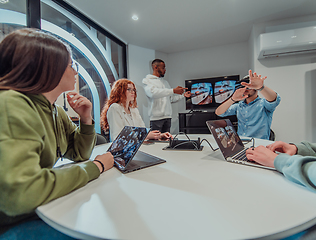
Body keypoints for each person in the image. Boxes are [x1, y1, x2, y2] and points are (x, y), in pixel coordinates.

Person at [245, 0, 316, 233]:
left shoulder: (261, 101)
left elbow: (274, 99)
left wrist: (281, 162)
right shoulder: (239, 107)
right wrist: (297, 150)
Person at [0, 28, 114, 239]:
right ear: (49, 68)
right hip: (12, 222)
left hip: (35, 209)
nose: (75, 72)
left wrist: (86, 119)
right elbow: (20, 195)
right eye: (71, 65)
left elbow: (78, 153)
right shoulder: (11, 104)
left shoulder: (55, 110)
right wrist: (97, 166)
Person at [215, 69, 281, 140]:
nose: (246, 89)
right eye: (244, 86)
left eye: (249, 87)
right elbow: (219, 112)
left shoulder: (263, 104)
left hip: (259, 144)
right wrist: (232, 99)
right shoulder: (239, 105)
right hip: (241, 143)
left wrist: (261, 88)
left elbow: (274, 99)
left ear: (255, 88)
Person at [101, 78, 172, 141]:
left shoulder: (133, 110)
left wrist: (159, 136)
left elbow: (143, 131)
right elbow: (118, 137)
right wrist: (145, 136)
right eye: (129, 89)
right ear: (119, 91)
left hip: (137, 147)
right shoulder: (115, 108)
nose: (133, 92)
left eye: (134, 90)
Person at [142, 59, 191, 133]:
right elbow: (153, 93)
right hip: (156, 119)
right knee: (156, 142)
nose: (165, 70)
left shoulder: (165, 83)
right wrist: (173, 91)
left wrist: (183, 96)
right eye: (163, 68)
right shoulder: (147, 81)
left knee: (166, 141)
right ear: (155, 67)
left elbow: (170, 99)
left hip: (167, 117)